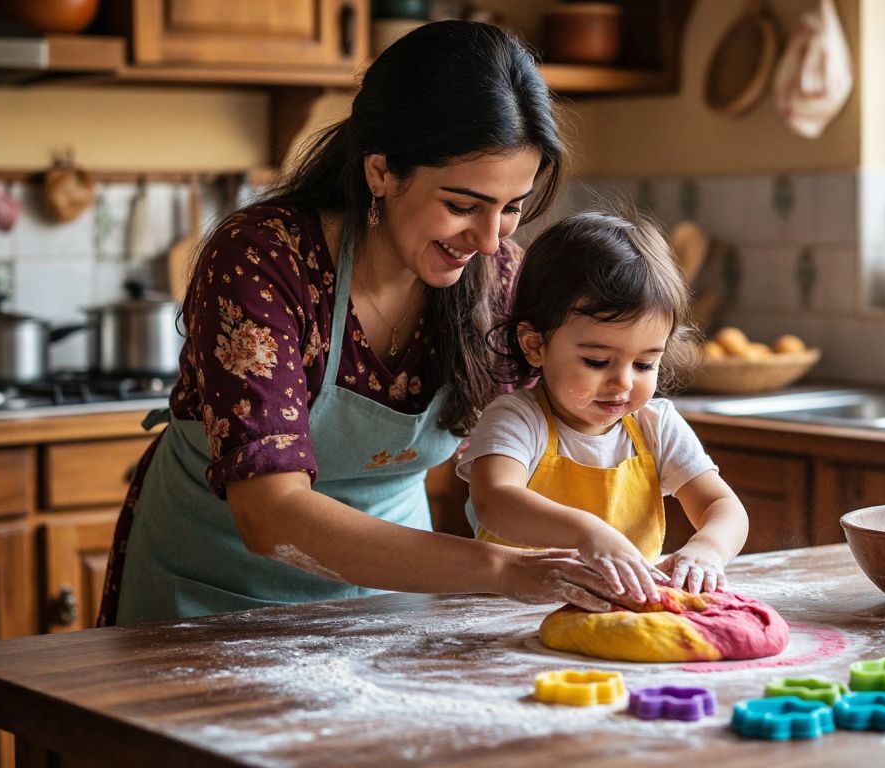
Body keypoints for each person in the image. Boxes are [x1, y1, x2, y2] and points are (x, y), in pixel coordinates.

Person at [99, 21, 619, 627]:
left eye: (511, 209)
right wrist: (500, 571)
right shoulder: (264, 259)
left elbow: (517, 465)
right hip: (206, 598)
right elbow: (270, 516)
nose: (486, 240)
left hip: (390, 602)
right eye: (461, 205)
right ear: (381, 172)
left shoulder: (500, 277)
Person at [460, 209, 750, 605]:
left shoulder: (655, 425)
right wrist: (587, 533)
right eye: (597, 362)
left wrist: (709, 549)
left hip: (624, 612)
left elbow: (721, 504)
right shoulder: (517, 418)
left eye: (645, 363)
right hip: (509, 613)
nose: (624, 383)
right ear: (535, 346)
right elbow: (495, 500)